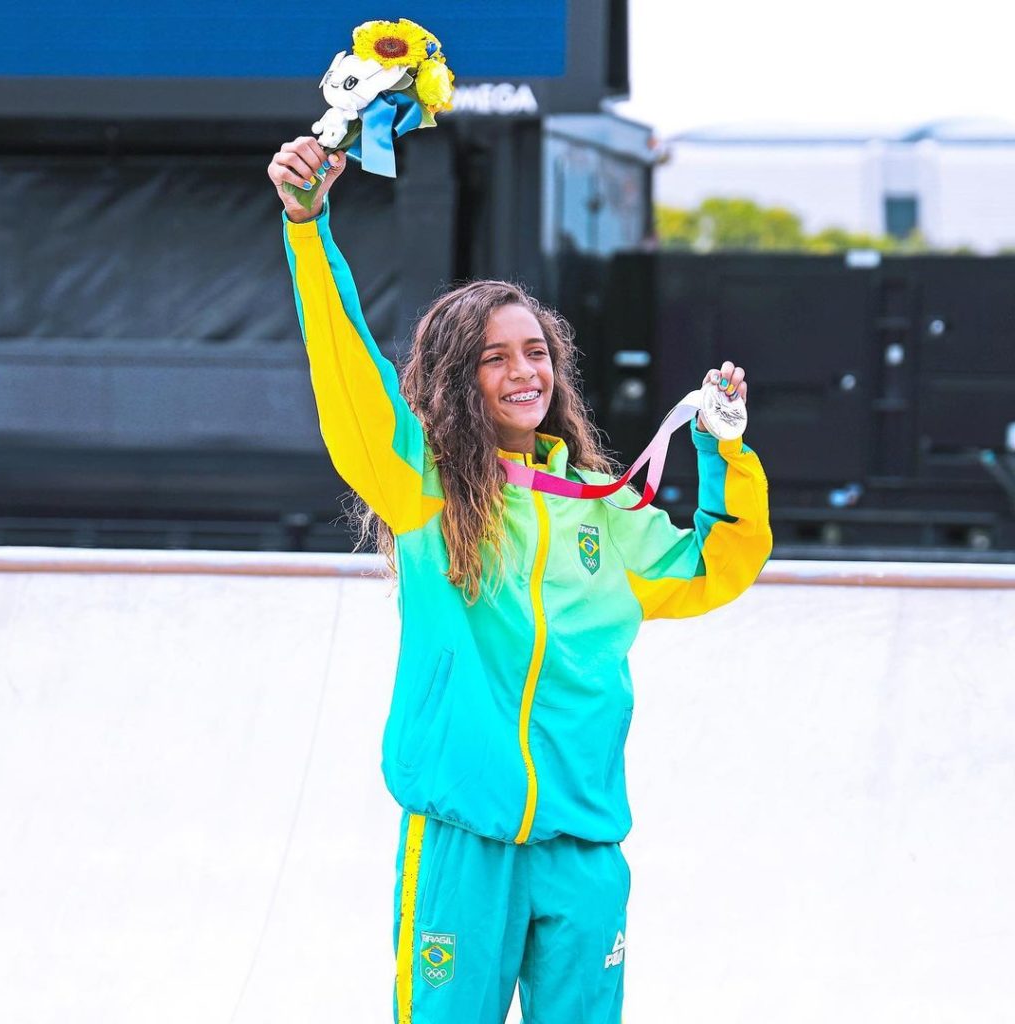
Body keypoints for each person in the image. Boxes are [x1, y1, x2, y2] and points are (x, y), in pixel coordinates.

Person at [268, 137, 773, 1024]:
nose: (524, 372)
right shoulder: (423, 490)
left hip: (584, 846)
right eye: (495, 357)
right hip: (467, 839)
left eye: (536, 352)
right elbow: (350, 381)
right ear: (456, 378)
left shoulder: (601, 509)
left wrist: (722, 451)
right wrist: (309, 231)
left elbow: (716, 566)